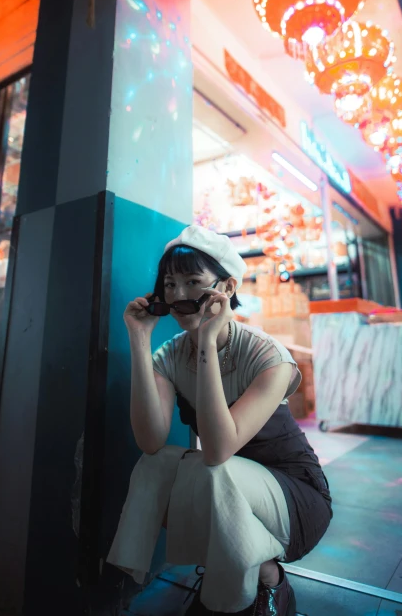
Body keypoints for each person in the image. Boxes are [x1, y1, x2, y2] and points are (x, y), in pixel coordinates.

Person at [107, 225, 332, 615]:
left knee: (216, 470)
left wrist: (208, 340)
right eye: (170, 284)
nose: (178, 295)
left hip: (294, 498)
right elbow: (151, 441)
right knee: (155, 465)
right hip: (227, 490)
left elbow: (216, 451)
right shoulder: (170, 355)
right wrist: (139, 340)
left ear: (226, 289)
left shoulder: (269, 357)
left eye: (193, 282)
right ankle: (266, 579)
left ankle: (228, 604)